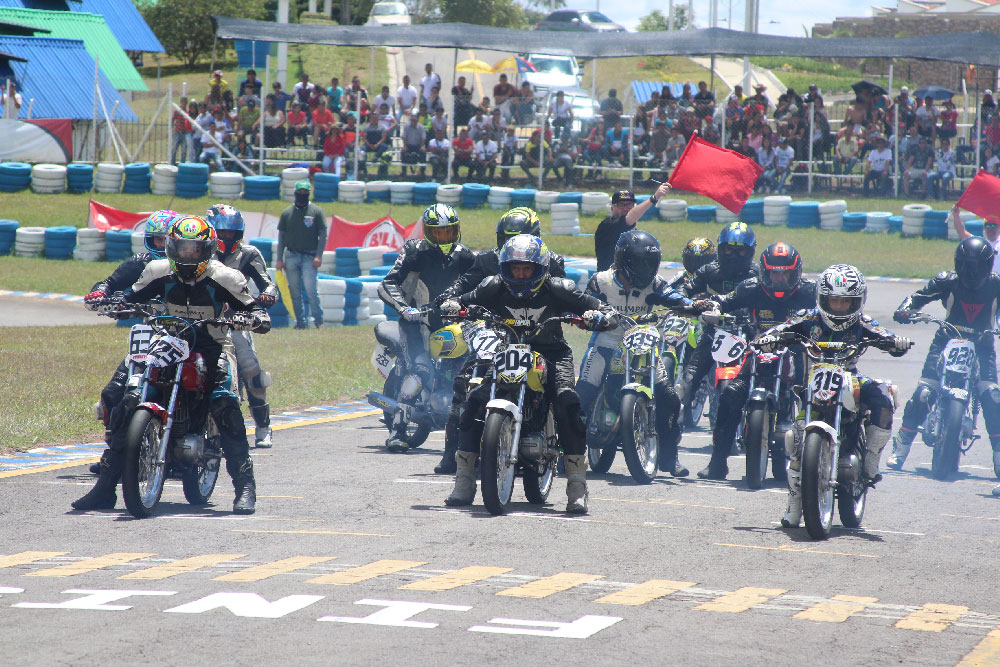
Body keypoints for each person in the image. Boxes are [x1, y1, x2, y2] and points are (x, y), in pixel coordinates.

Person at [74, 216, 269, 515]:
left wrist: (255, 318)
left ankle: (245, 486)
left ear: (208, 250)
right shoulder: (156, 271)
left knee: (226, 405)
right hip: (169, 341)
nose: (187, 256)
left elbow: (253, 308)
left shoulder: (226, 277)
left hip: (212, 344)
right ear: (171, 247)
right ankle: (104, 489)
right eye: (181, 248)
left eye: (194, 250)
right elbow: (130, 296)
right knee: (128, 400)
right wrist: (110, 303)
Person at [438, 234, 618, 513]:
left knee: (568, 403)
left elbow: (601, 307)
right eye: (515, 269)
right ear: (505, 269)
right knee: (473, 399)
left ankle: (576, 486)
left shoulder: (560, 289)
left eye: (527, 269)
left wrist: (600, 315)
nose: (520, 274)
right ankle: (463, 481)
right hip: (507, 351)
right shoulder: (492, 287)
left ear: (540, 268)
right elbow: (460, 301)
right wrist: (452, 306)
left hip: (552, 354)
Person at [754, 265, 910, 527]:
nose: (838, 306)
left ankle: (871, 458)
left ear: (858, 301)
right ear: (822, 299)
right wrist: (767, 339)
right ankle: (793, 506)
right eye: (833, 300)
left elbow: (887, 337)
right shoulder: (807, 318)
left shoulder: (863, 322)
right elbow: (781, 329)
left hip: (851, 377)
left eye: (846, 301)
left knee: (884, 395)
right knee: (795, 439)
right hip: (815, 382)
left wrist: (896, 342)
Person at [432, 207, 567, 473]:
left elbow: (563, 295)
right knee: (466, 382)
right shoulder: (486, 260)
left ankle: (557, 446)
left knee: (561, 392)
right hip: (497, 329)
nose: (511, 248)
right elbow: (462, 285)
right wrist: (447, 299)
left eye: (515, 239)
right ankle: (453, 453)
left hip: (539, 332)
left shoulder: (551, 261)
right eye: (505, 239)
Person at [578, 231, 713, 477]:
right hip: (607, 341)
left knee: (669, 398)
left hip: (643, 340)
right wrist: (591, 317)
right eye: (640, 262)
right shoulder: (601, 281)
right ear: (623, 260)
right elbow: (584, 304)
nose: (646, 268)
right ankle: (566, 451)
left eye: (650, 263)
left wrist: (692, 305)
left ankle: (670, 459)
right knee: (581, 394)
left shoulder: (655, 282)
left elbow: (673, 297)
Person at [696, 242, 817, 480]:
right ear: (764, 271)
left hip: (795, 356)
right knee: (730, 394)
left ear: (796, 272)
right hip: (757, 356)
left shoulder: (810, 292)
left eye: (785, 273)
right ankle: (717, 463)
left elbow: (833, 311)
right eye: (774, 272)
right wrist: (711, 305)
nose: (779, 278)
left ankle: (811, 460)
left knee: (813, 396)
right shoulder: (750, 288)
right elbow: (723, 300)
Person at [887, 237, 1000, 474]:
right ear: (958, 264)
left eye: (977, 266)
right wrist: (905, 309)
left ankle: (999, 458)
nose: (971, 271)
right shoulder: (946, 281)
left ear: (988, 266)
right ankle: (902, 445)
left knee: (992, 397)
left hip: (982, 345)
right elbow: (917, 297)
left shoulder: (996, 285)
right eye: (967, 265)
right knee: (924, 391)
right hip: (946, 340)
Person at [81, 210, 179, 476]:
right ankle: (113, 452)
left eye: (166, 241)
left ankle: (187, 451)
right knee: (114, 392)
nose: (161, 246)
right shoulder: (142, 262)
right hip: (151, 336)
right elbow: (111, 282)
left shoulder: (190, 266)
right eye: (156, 240)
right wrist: (101, 293)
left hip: (185, 337)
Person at [377, 204, 476, 452]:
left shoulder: (465, 256)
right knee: (419, 370)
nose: (444, 238)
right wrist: (403, 308)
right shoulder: (414, 251)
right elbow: (388, 282)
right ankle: (397, 431)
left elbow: (482, 285)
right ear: (427, 233)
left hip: (454, 326)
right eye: (438, 233)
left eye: (448, 232)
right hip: (417, 323)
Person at [208, 204, 279, 448]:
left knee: (251, 369)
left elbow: (268, 283)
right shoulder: (198, 251)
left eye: (232, 233)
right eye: (223, 233)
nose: (227, 238)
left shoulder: (249, 254)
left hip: (237, 321)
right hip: (202, 318)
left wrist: (268, 295)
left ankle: (263, 426)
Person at [677, 222, 760, 415]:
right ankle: (674, 421)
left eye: (740, 251)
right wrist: (690, 304)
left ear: (750, 251)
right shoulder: (709, 270)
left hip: (749, 332)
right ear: (721, 248)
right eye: (729, 249)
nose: (733, 255)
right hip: (715, 330)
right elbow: (685, 288)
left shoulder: (758, 274)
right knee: (689, 377)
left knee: (769, 373)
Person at [275, 181, 327, 329]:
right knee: (295, 291)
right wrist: (279, 259)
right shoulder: (286, 213)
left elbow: (323, 235)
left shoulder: (316, 212)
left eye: (305, 192)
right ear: (295, 193)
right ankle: (300, 322)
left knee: (311, 290)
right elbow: (281, 238)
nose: (303, 195)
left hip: (310, 257)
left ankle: (319, 321)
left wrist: (319, 255)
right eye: (300, 192)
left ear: (309, 193)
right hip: (291, 255)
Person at [594, 183, 671, 271]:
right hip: (608, 279)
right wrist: (654, 198)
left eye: (629, 205)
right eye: (621, 205)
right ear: (612, 209)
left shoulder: (634, 232)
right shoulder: (607, 225)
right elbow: (628, 218)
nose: (626, 208)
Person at [361, 114, 390, 179]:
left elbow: (383, 138)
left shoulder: (382, 127)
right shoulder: (366, 127)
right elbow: (364, 138)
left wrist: (377, 144)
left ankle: (376, 157)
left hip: (378, 145)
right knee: (361, 150)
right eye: (372, 118)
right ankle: (364, 170)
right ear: (370, 119)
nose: (374, 120)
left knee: (384, 146)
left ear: (377, 119)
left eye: (375, 118)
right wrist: (369, 145)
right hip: (368, 145)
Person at [400, 113, 427, 177]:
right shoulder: (406, 126)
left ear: (417, 120)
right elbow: (404, 137)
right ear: (410, 120)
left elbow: (423, 137)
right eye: (412, 120)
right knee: (403, 152)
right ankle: (404, 172)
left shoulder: (421, 127)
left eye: (415, 120)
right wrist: (405, 146)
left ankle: (422, 172)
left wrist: (422, 146)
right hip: (409, 145)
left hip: (418, 146)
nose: (413, 121)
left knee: (423, 152)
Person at [171, 96, 194, 164]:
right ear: (181, 103)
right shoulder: (177, 111)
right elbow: (173, 119)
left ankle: (182, 163)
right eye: (183, 102)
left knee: (184, 150)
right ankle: (172, 163)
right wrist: (172, 128)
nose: (184, 104)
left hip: (185, 132)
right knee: (174, 149)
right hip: (178, 132)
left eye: (185, 103)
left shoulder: (187, 111)